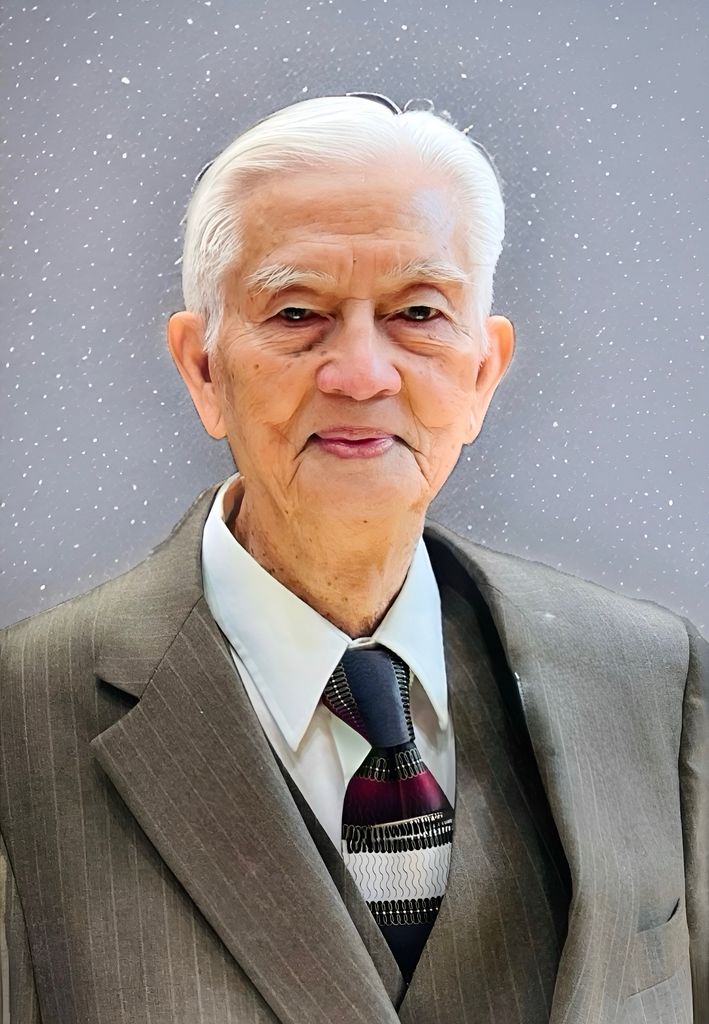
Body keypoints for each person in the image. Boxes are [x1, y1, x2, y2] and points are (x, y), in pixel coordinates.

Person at [0, 94, 706, 1024]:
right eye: (297, 313)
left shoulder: (649, 682)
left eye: (418, 312)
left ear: (482, 372)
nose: (362, 374)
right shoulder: (17, 721)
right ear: (202, 368)